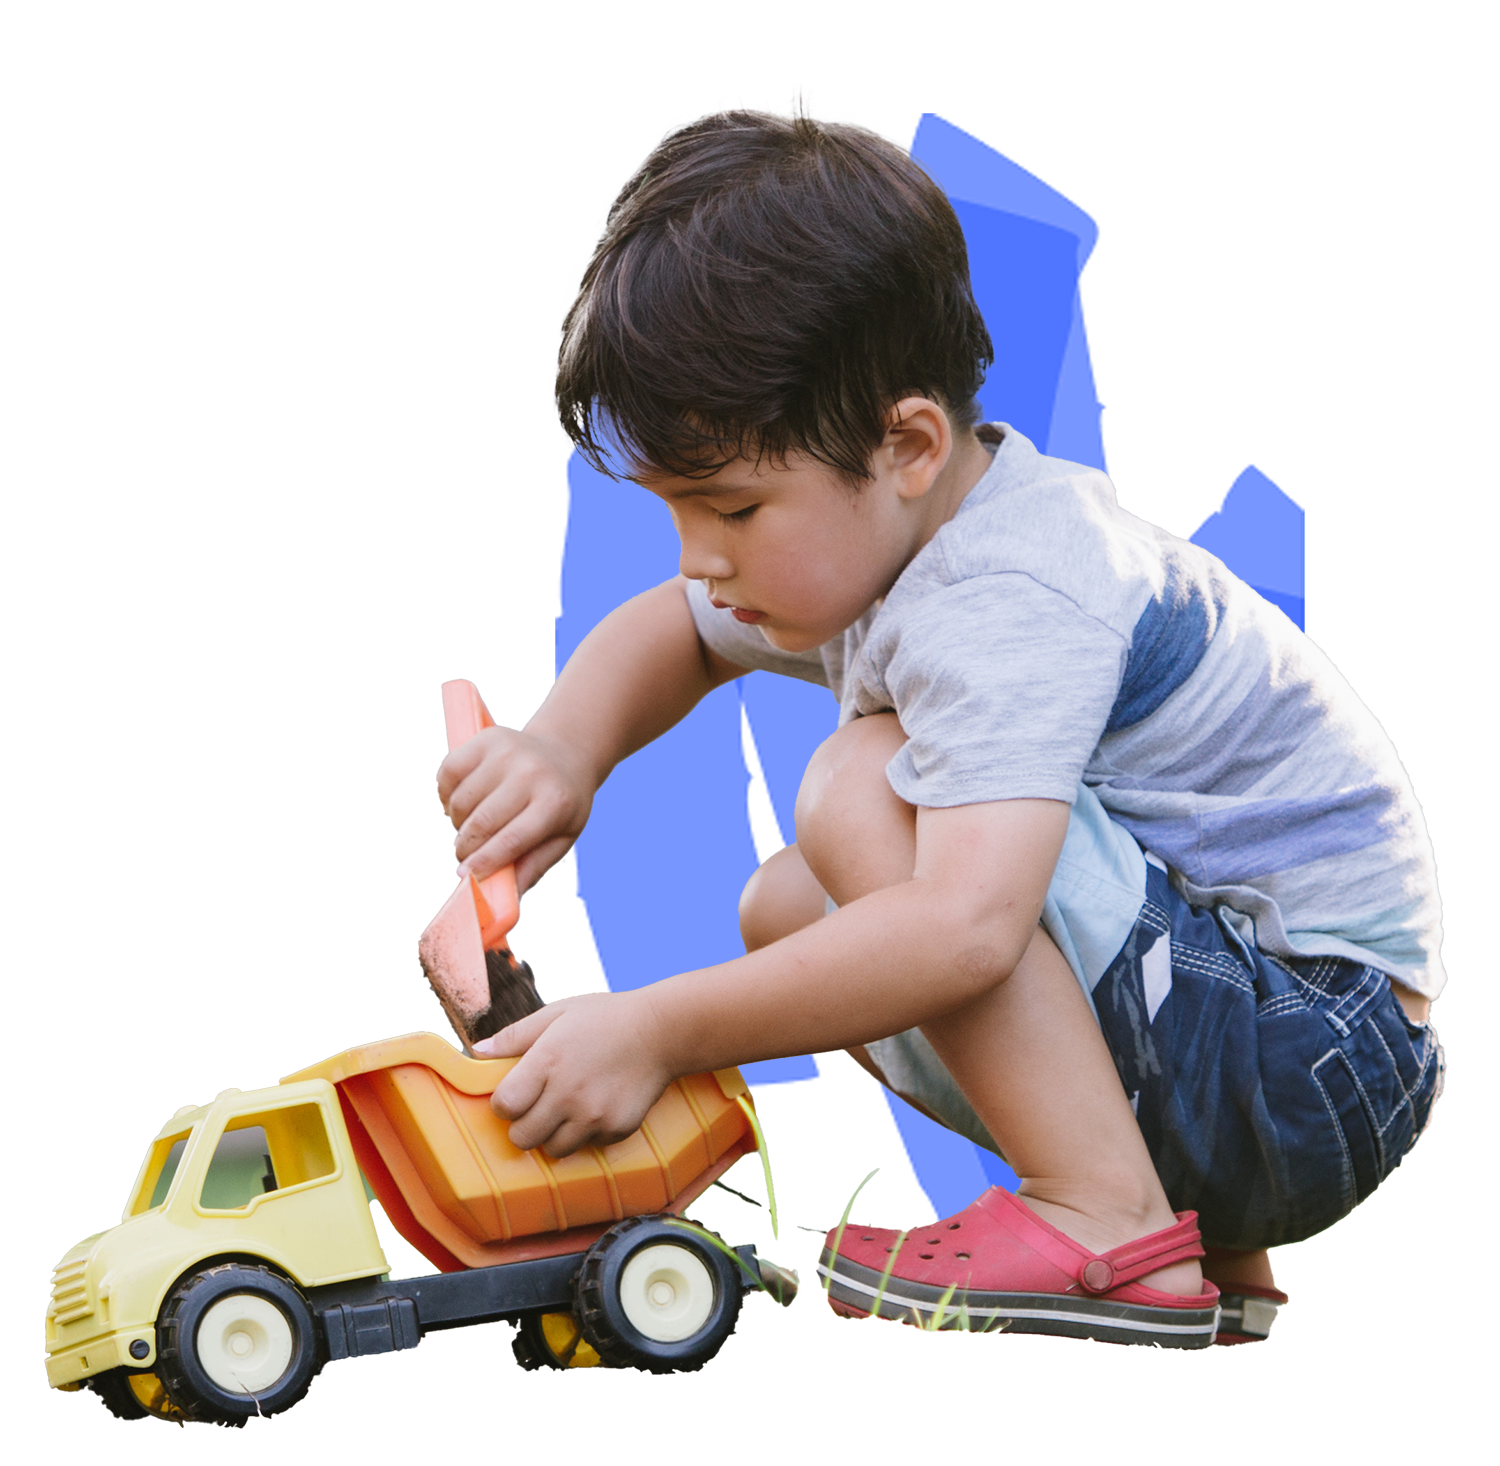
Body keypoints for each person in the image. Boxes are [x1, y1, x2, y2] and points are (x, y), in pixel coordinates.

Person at [436, 102, 1445, 1349]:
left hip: (1313, 1053)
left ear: (906, 443)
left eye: (732, 507)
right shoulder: (883, 536)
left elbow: (968, 930)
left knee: (865, 792)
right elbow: (684, 629)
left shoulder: (1008, 590)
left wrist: (651, 1024)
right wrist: (560, 749)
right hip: (1269, 1048)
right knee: (790, 912)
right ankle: (1198, 1234)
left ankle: (1101, 1208)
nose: (702, 555)